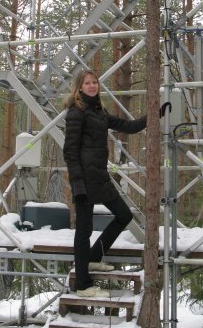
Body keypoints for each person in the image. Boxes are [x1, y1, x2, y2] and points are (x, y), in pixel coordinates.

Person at [63, 69, 147, 298]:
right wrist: (77, 183)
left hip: (99, 177)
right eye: (87, 83)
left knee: (123, 215)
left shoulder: (98, 111)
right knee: (84, 230)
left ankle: (93, 257)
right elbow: (70, 151)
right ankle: (83, 285)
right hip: (84, 179)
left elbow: (128, 126)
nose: (92, 86)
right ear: (79, 87)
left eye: (95, 82)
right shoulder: (76, 112)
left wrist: (154, 115)